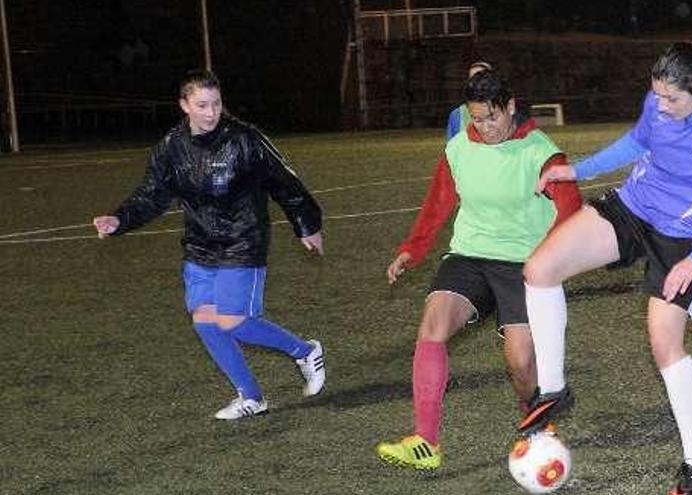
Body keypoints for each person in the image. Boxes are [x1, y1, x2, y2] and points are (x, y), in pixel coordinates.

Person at [517, 42, 692, 494]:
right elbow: (637, 141)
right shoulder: (658, 101)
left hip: (685, 238)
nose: (661, 104)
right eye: (657, 95)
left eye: (672, 99)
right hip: (633, 208)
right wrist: (577, 171)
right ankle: (553, 390)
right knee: (539, 269)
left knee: (664, 343)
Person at [375, 69, 582, 470]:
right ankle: (425, 441)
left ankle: (536, 427)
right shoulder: (457, 149)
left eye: (492, 117)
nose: (485, 127)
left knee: (521, 362)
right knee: (433, 324)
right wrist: (411, 250)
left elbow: (571, 214)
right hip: (470, 255)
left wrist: (556, 263)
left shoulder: (541, 153)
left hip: (524, 264)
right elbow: (438, 203)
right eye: (476, 119)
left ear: (510, 107)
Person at [92, 70, 326, 421]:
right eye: (202, 105)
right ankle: (251, 397)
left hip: (243, 240)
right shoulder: (172, 146)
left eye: (216, 104)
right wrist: (120, 219)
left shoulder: (245, 139)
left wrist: (306, 224)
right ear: (184, 105)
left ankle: (305, 352)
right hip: (201, 246)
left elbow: (284, 182)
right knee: (205, 322)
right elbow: (152, 194)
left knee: (233, 320)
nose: (211, 112)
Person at [444, 60, 492, 140]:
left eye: (482, 78)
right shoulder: (457, 115)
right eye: (472, 78)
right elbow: (451, 148)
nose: (477, 82)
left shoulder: (505, 112)